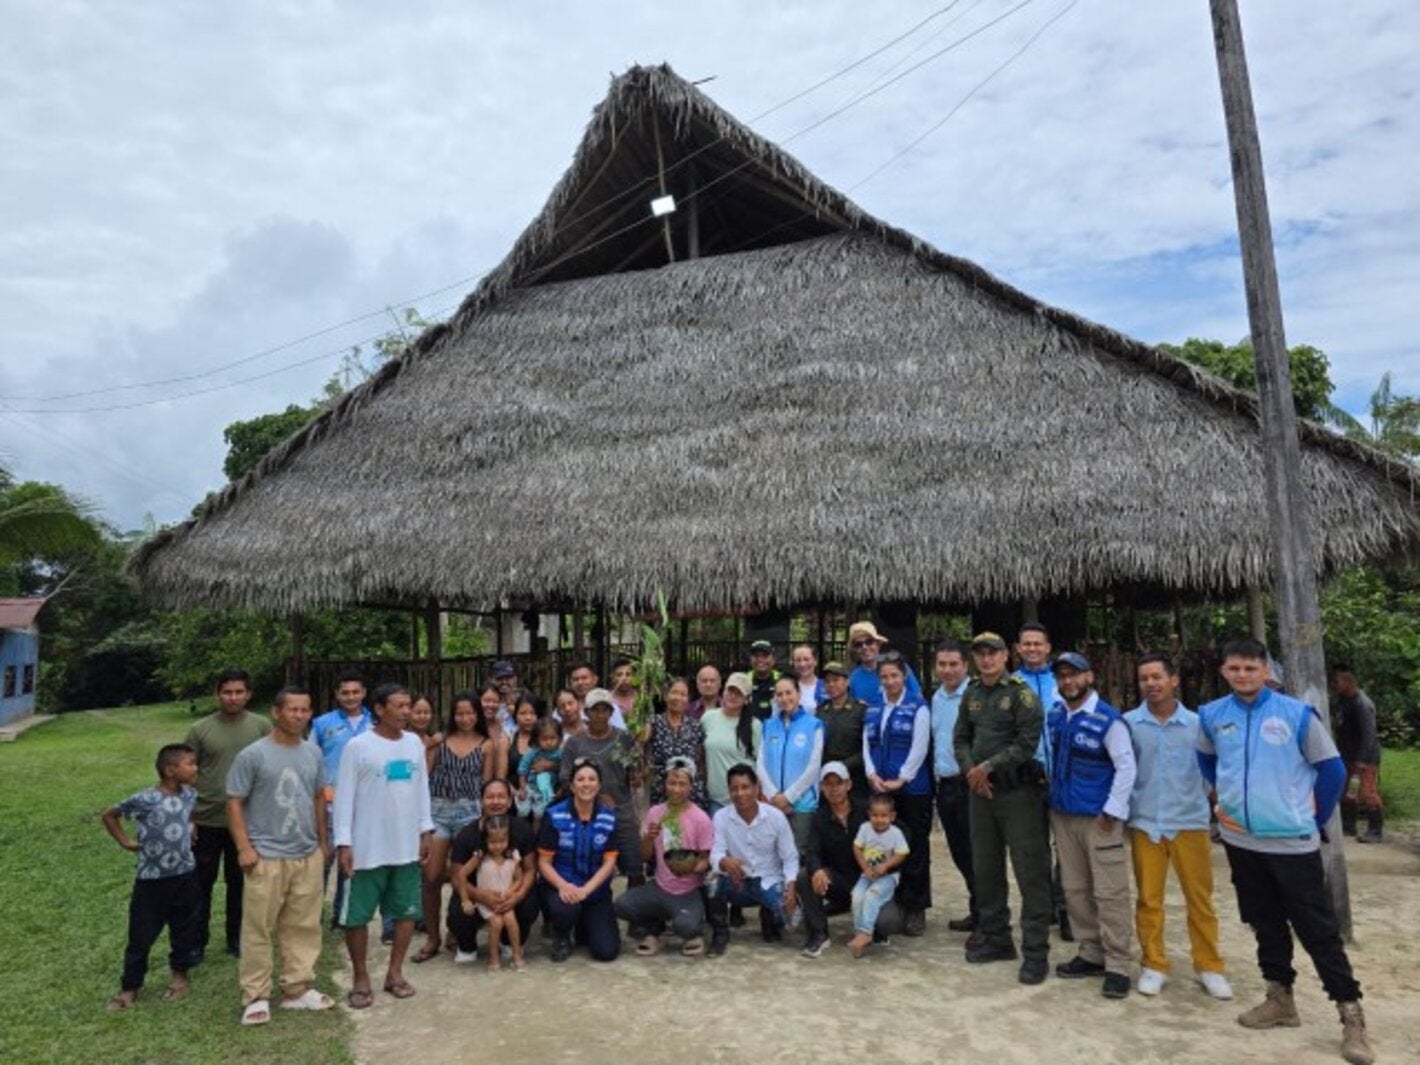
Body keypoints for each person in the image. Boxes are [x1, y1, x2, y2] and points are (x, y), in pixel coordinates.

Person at [1198, 638, 1374, 1064]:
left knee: (1318, 930)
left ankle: (1351, 1015)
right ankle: (1279, 999)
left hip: (1292, 843)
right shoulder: (1212, 715)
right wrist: (1223, 798)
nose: (1242, 675)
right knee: (1265, 922)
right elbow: (1206, 759)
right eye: (1234, 668)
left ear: (1266, 671)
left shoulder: (1296, 715)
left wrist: (1311, 818)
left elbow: (1332, 770)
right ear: (1224, 672)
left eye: (1250, 668)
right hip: (1240, 840)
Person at [1124, 653, 1231, 1000]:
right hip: (1145, 823)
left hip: (1189, 822)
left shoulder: (1199, 725)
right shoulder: (1129, 724)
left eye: (1157, 677)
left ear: (1173, 680)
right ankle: (1154, 964)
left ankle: (1209, 965)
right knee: (1148, 899)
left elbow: (1215, 770)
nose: (1150, 684)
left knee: (1200, 900)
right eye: (1144, 678)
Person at [225, 686, 334, 1025]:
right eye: (292, 709)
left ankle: (297, 988)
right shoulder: (253, 755)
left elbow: (318, 797)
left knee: (303, 924)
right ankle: (256, 995)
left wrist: (322, 841)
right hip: (267, 854)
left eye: (305, 710)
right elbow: (234, 802)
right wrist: (244, 847)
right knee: (259, 928)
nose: (299, 716)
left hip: (306, 852)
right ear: (276, 712)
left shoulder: (312, 752)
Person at [953, 632, 1052, 985]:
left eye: (992, 653)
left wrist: (988, 767)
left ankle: (1036, 952)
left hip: (1017, 794)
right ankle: (997, 938)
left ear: (1006, 656)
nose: (986, 659)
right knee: (986, 868)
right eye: (980, 654)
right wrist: (971, 771)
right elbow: (960, 738)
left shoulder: (1022, 695)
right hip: (981, 794)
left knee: (1030, 872)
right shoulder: (971, 693)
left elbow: (1027, 744)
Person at [333, 684, 433, 1008]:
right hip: (367, 848)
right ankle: (361, 978)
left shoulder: (414, 743)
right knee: (357, 917)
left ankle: (395, 973)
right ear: (379, 709)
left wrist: (425, 830)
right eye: (399, 706)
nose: (406, 712)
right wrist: (344, 842)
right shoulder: (358, 746)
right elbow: (344, 796)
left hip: (405, 846)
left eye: (408, 705)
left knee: (406, 913)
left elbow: (422, 788)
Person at [1045, 652, 1136, 999]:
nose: (1068, 681)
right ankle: (1091, 952)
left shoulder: (1108, 720)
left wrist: (1111, 810)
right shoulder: (1057, 716)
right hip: (1064, 815)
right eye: (1062, 676)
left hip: (1100, 819)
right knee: (1075, 889)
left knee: (1110, 892)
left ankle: (1117, 965)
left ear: (1089, 677)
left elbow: (1126, 767)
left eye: (1074, 674)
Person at [101, 743, 201, 1012]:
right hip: (152, 880)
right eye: (190, 764)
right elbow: (110, 815)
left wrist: (191, 828)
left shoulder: (190, 794)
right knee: (141, 934)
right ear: (170, 770)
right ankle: (130, 987)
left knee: (184, 928)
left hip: (185, 874)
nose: (195, 768)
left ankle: (180, 975)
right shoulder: (145, 799)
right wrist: (125, 842)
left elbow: (190, 813)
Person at [185, 668, 271, 959]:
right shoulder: (200, 729)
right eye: (227, 692)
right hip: (206, 818)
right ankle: (196, 943)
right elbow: (185, 774)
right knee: (200, 885)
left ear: (248, 694)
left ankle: (237, 939)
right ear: (217, 694)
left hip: (246, 822)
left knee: (240, 884)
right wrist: (189, 817)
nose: (233, 697)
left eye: (238, 692)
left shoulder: (261, 726)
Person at [414, 690, 501, 963]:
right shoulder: (440, 741)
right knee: (431, 878)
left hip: (469, 813)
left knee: (462, 876)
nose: (465, 718)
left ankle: (456, 929)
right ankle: (432, 937)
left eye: (470, 713)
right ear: (452, 715)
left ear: (477, 714)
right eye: (460, 713)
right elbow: (423, 776)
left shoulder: (487, 745)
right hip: (438, 811)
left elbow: (486, 784)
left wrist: (484, 820)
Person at [796, 762, 903, 958]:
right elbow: (812, 851)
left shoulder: (868, 809)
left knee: (888, 922)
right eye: (828, 784)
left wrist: (886, 863)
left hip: (872, 879)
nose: (834, 788)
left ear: (849, 784)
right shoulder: (820, 817)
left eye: (839, 783)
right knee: (805, 876)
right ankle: (819, 934)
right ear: (821, 788)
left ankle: (874, 931)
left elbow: (900, 834)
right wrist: (817, 870)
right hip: (840, 880)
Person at [863, 651, 933, 937]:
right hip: (881, 787)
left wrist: (902, 778)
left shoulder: (918, 706)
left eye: (894, 675)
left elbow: (920, 746)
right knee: (885, 846)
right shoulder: (874, 707)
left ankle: (916, 907)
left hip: (913, 789)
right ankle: (891, 903)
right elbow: (867, 743)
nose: (890, 681)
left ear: (904, 676)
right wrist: (871, 773)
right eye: (884, 676)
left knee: (914, 848)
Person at [616, 756, 714, 957]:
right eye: (672, 783)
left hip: (688, 890)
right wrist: (648, 839)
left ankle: (693, 929)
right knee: (622, 905)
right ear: (664, 784)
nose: (676, 789)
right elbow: (644, 857)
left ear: (691, 787)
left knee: (685, 927)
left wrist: (689, 867)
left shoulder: (701, 819)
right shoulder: (655, 813)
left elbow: (706, 860)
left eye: (682, 784)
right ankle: (654, 929)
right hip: (660, 886)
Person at [706, 764, 800, 955]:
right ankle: (720, 933)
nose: (740, 793)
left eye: (745, 787)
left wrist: (791, 886)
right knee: (710, 882)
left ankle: (769, 916)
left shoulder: (775, 817)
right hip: (737, 881)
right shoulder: (721, 817)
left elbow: (790, 858)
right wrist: (723, 861)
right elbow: (715, 853)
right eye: (734, 788)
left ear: (757, 788)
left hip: (769, 880)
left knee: (793, 921)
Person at [1013, 622, 1070, 940]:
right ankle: (1042, 905)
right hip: (1027, 778)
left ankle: (1066, 908)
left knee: (1067, 847)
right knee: (1034, 849)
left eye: (1038, 643)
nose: (1032, 649)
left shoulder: (1062, 682)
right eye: (1027, 644)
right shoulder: (1011, 684)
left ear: (1048, 648)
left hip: (1063, 777)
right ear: (1018, 649)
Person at [538, 758, 622, 962]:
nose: (586, 784)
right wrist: (564, 886)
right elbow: (543, 862)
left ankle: (584, 923)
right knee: (564, 908)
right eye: (580, 779)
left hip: (594, 890)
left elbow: (609, 862)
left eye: (592, 779)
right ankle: (562, 935)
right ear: (572, 785)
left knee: (606, 951)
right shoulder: (554, 815)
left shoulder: (608, 818)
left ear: (599, 785)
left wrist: (586, 890)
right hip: (562, 887)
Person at [448, 779, 540, 963]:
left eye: (501, 797)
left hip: (510, 890)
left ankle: (509, 943)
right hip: (477, 891)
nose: (496, 801)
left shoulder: (522, 829)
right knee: (459, 910)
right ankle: (467, 946)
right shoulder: (467, 834)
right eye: (490, 797)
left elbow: (530, 870)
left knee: (529, 903)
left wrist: (518, 895)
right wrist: (480, 895)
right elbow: (457, 877)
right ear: (481, 801)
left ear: (510, 801)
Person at [310, 672, 373, 927]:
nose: (350, 697)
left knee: (350, 864)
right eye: (345, 692)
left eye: (355, 692)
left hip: (363, 806)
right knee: (323, 861)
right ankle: (312, 916)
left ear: (364, 693)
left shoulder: (376, 722)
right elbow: (311, 759)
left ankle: (342, 915)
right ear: (337, 695)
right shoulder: (321, 723)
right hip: (328, 805)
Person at [560, 688, 641, 880]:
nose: (600, 714)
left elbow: (636, 773)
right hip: (586, 813)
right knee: (590, 869)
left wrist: (638, 771)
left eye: (605, 709)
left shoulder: (625, 738)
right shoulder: (574, 743)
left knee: (634, 867)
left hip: (621, 809)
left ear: (611, 712)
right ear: (586, 713)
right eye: (595, 710)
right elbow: (564, 778)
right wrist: (595, 796)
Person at [930, 639, 978, 935]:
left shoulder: (975, 695)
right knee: (960, 852)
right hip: (945, 785)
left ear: (965, 665)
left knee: (977, 853)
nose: (947, 670)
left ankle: (987, 917)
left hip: (970, 784)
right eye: (942, 664)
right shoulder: (936, 698)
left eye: (953, 664)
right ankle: (977, 909)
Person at [759, 674, 825, 856]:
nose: (784, 698)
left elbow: (814, 766)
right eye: (779, 694)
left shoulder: (814, 725)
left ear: (798, 693)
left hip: (802, 805)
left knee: (797, 855)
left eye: (788, 693)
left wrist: (789, 797)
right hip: (772, 803)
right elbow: (760, 763)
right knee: (771, 855)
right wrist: (774, 795)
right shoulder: (768, 725)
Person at [457, 815, 527, 971]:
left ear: (509, 839)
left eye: (502, 841)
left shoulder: (513, 856)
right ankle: (493, 955)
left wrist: (511, 891)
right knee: (496, 923)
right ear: (485, 840)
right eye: (493, 842)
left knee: (511, 920)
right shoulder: (480, 856)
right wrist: (465, 899)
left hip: (505, 899)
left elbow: (519, 878)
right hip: (486, 901)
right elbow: (461, 874)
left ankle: (517, 954)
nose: (498, 846)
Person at [847, 794, 910, 958]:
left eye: (884, 816)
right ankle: (859, 933)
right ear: (869, 814)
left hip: (888, 877)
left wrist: (886, 865)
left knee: (872, 896)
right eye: (875, 815)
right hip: (867, 874)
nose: (879, 820)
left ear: (892, 816)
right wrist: (865, 867)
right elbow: (857, 848)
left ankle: (866, 932)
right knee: (856, 896)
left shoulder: (896, 833)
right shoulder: (864, 828)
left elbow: (901, 854)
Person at [1333, 666, 1383, 843]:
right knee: (1348, 791)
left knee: (1367, 791)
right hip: (1348, 754)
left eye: (1337, 681)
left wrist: (1362, 760)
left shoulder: (1362, 703)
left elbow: (1369, 735)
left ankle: (1375, 830)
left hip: (1365, 757)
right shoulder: (1344, 701)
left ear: (1348, 682)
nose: (1334, 685)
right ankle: (1349, 826)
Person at [700, 673, 761, 816]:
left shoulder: (755, 725)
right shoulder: (708, 718)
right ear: (723, 691)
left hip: (744, 798)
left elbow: (760, 764)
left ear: (746, 699)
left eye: (739, 693)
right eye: (730, 690)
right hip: (714, 798)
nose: (733, 696)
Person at [646, 677, 707, 807]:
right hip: (661, 792)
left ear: (688, 699)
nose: (677, 698)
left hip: (691, 794)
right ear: (665, 695)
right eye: (674, 692)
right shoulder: (653, 722)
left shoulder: (695, 726)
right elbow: (639, 747)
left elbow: (701, 762)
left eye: (683, 694)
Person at [816, 661, 867, 797]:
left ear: (847, 682)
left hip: (854, 776)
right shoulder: (820, 711)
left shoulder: (860, 710)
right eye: (827, 681)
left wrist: (844, 765)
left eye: (836, 680)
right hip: (827, 776)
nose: (831, 685)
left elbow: (867, 748)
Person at [845, 621, 922, 706]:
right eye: (858, 644)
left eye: (869, 642)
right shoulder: (853, 678)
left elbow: (918, 699)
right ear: (855, 650)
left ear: (878, 644)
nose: (864, 647)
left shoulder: (899, 667)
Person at [517, 717, 563, 822]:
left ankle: (535, 831)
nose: (549, 742)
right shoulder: (533, 752)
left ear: (559, 738)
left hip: (547, 792)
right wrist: (522, 787)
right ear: (537, 739)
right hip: (530, 787)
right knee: (523, 811)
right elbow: (522, 769)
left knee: (540, 814)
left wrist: (560, 790)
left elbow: (565, 770)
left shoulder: (560, 754)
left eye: (552, 738)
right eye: (544, 739)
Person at [567, 661, 626, 730]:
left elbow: (621, 732)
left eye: (584, 678)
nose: (580, 682)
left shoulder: (609, 705)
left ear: (595, 679)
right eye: (575, 679)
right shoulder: (565, 708)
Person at [746, 640, 782, 721]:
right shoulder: (744, 680)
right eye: (756, 656)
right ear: (750, 660)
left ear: (773, 659)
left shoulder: (782, 680)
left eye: (765, 656)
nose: (760, 659)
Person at [789, 644, 826, 715]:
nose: (802, 664)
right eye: (798, 660)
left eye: (806, 659)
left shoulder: (826, 687)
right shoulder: (788, 688)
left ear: (815, 661)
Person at [609, 658, 638, 726]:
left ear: (634, 677)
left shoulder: (641, 699)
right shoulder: (607, 698)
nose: (624, 678)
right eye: (619, 675)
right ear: (612, 677)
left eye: (628, 674)